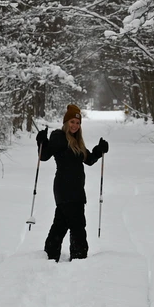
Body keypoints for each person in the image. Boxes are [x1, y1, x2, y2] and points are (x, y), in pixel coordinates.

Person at [36, 104, 109, 261]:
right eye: (72, 122)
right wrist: (42, 142)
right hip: (65, 187)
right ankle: (79, 257)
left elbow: (88, 159)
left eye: (78, 123)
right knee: (77, 224)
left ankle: (50, 255)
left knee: (61, 223)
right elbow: (45, 155)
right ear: (66, 122)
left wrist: (99, 150)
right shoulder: (59, 137)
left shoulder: (77, 141)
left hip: (76, 188)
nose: (75, 125)